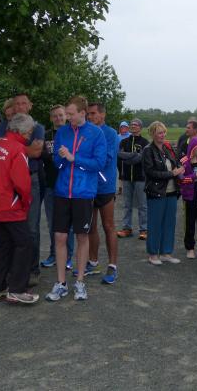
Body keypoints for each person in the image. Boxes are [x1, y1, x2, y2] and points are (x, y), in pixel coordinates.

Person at [45, 96, 106, 302]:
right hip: (62, 192)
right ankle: (61, 283)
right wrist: (63, 159)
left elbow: (99, 163)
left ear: (82, 113)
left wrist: (74, 158)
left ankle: (80, 281)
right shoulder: (62, 132)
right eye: (67, 114)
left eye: (71, 114)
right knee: (60, 238)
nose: (67, 117)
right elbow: (56, 162)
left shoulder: (96, 133)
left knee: (82, 237)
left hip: (83, 193)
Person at [0, 113, 39, 304]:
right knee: (24, 245)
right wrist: (26, 202)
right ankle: (17, 289)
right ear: (23, 131)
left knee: (4, 246)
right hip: (12, 206)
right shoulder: (18, 149)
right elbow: (22, 183)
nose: (30, 135)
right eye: (30, 131)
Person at [0, 94, 46, 286]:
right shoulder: (3, 125)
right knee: (10, 228)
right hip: (7, 182)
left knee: (31, 228)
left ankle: (32, 269)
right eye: (16, 103)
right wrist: (23, 148)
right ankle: (13, 269)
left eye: (23, 103)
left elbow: (36, 152)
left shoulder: (38, 127)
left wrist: (11, 147)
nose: (19, 106)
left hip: (30, 179)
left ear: (30, 106)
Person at [84, 102, 120, 284]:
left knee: (108, 226)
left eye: (93, 113)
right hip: (88, 187)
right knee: (90, 227)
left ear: (102, 115)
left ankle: (113, 266)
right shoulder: (85, 132)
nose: (90, 117)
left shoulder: (111, 134)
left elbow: (105, 159)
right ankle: (93, 262)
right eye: (88, 114)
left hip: (105, 187)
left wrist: (83, 161)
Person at [142, 121, 183, 266]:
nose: (163, 135)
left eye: (164, 132)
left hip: (172, 192)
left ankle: (166, 253)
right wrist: (172, 173)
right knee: (155, 224)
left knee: (169, 224)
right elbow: (150, 172)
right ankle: (153, 254)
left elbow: (175, 164)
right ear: (153, 134)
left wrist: (179, 169)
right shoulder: (148, 150)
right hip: (156, 192)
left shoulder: (167, 148)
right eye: (159, 132)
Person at [41, 105, 75, 269]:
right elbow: (41, 154)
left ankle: (68, 256)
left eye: (61, 115)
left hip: (68, 184)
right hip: (50, 184)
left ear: (66, 116)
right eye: (55, 116)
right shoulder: (45, 135)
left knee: (68, 224)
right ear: (51, 118)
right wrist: (52, 155)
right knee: (53, 223)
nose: (58, 118)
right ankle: (54, 254)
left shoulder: (73, 133)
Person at [117, 118, 149, 240]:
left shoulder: (145, 143)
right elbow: (120, 155)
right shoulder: (124, 142)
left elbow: (142, 158)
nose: (133, 126)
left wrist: (129, 157)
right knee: (127, 204)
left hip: (140, 177)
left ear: (140, 127)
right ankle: (127, 228)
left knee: (142, 205)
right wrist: (135, 155)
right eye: (132, 124)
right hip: (126, 177)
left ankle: (144, 229)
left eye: (136, 125)